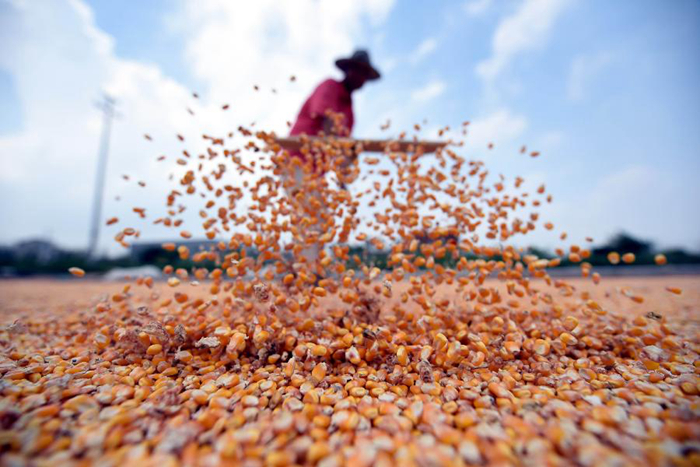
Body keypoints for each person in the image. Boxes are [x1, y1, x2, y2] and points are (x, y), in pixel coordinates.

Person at [282, 50, 381, 270]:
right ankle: (306, 273)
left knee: (321, 218)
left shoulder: (349, 110)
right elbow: (327, 123)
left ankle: (307, 269)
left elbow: (342, 148)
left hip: (315, 171)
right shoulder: (330, 86)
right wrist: (343, 150)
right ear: (348, 70)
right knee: (310, 216)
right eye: (358, 71)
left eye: (365, 74)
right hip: (296, 159)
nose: (361, 78)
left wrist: (343, 176)